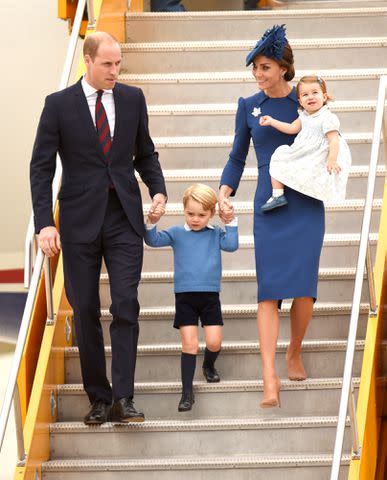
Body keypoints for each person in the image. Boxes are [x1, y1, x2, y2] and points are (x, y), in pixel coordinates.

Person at [30, 32, 167, 425]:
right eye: (107, 64)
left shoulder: (132, 98)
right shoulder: (58, 106)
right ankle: (99, 398)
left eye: (118, 63)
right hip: (77, 223)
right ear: (87, 61)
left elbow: (146, 151)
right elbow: (41, 169)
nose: (114, 71)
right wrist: (44, 224)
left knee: (126, 304)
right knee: (86, 308)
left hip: (123, 217)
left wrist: (158, 191)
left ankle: (125, 398)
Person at [219, 24, 325, 408]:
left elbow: (330, 135)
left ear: (282, 68)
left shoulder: (305, 100)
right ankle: (269, 375)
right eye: (255, 69)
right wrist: (224, 193)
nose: (258, 75)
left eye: (264, 67)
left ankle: (294, 350)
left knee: (305, 291)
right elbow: (237, 156)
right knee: (268, 292)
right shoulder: (248, 106)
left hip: (307, 200)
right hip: (269, 203)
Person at [144, 184, 238, 412]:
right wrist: (152, 220)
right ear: (183, 210)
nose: (195, 219)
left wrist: (231, 221)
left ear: (211, 214)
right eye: (190, 213)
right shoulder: (177, 233)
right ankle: (187, 393)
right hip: (185, 296)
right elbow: (153, 240)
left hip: (210, 296)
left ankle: (208, 364)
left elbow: (232, 245)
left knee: (214, 341)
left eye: (202, 215)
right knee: (190, 344)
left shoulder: (215, 233)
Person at [260, 75, 352, 212]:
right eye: (305, 95)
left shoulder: (328, 118)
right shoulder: (303, 116)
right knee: (279, 156)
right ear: (300, 101)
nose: (310, 97)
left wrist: (332, 160)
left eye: (315, 93)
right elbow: (291, 128)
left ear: (324, 97)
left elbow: (334, 140)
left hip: (319, 155)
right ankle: (278, 195)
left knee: (313, 171)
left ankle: (308, 193)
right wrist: (272, 121)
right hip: (304, 151)